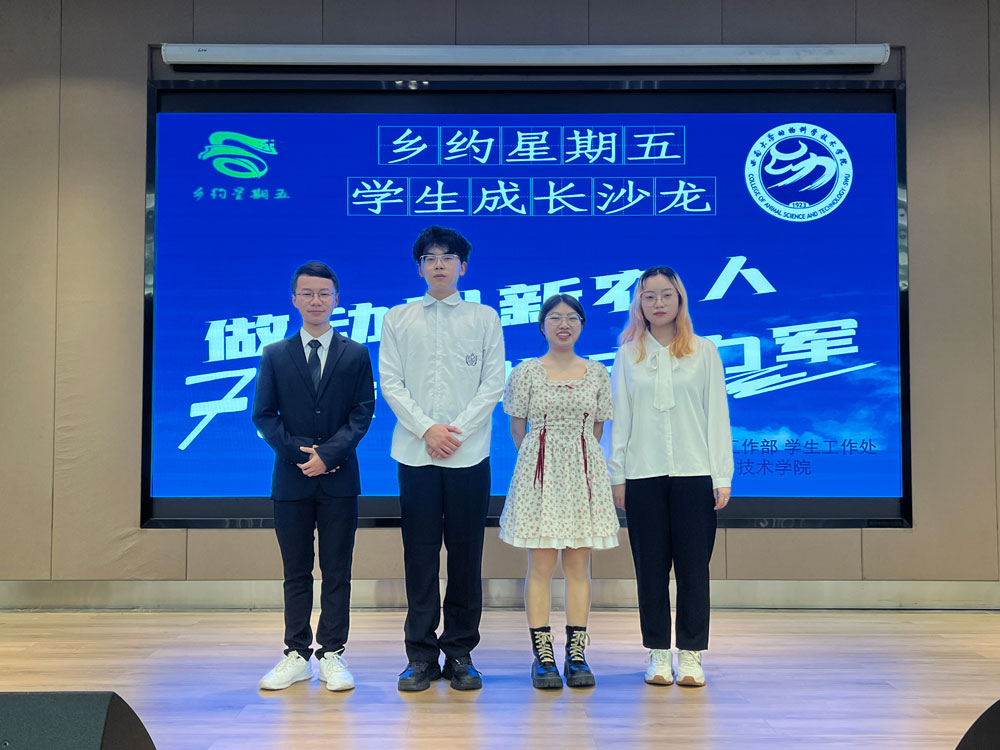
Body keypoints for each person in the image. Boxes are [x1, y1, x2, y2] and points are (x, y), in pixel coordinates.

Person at [378, 226, 505, 692]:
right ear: (419, 268)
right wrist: (427, 429)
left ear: (462, 266)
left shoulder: (484, 317)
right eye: (429, 257)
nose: (438, 264)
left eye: (447, 257)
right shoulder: (398, 318)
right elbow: (390, 383)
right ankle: (419, 655)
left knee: (467, 555)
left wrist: (455, 432)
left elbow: (493, 383)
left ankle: (460, 653)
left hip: (469, 456)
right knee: (420, 555)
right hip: (416, 454)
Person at [251, 261, 375, 692]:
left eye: (324, 293)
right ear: (294, 300)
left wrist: (329, 455)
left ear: (336, 300)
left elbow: (362, 413)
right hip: (291, 480)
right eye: (307, 293)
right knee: (296, 571)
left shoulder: (356, 353)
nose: (316, 300)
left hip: (340, 480)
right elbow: (264, 415)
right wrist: (302, 454)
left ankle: (333, 654)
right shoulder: (275, 354)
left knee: (338, 570)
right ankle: (297, 654)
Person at [608, 266, 733, 688]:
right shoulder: (628, 354)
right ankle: (659, 653)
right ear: (639, 305)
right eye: (649, 296)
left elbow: (717, 415)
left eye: (666, 295)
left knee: (694, 569)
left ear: (680, 300)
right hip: (642, 475)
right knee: (650, 569)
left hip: (695, 474)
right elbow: (620, 419)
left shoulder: (704, 351)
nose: (658, 303)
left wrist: (721, 474)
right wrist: (618, 475)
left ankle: (692, 655)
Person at [500, 294, 619, 690]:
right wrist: (544, 462)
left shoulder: (598, 372)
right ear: (542, 325)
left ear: (582, 325)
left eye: (571, 318)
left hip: (583, 475)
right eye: (555, 318)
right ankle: (543, 655)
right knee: (541, 566)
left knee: (578, 568)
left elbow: (597, 429)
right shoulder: (525, 372)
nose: (563, 324)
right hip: (539, 475)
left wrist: (572, 458)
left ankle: (577, 654)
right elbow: (518, 428)